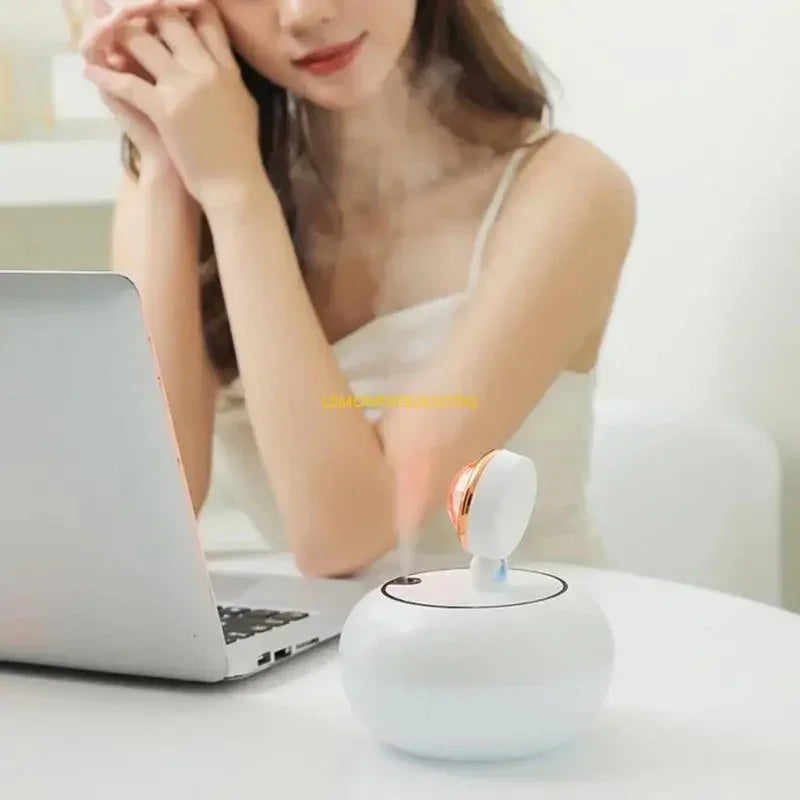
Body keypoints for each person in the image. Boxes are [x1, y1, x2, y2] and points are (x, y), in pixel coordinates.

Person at [81, 0, 636, 578]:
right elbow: (151, 511)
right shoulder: (192, 175)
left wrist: (234, 193)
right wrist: (168, 157)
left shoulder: (569, 192)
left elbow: (344, 536)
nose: (304, 14)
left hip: (521, 644)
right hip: (327, 656)